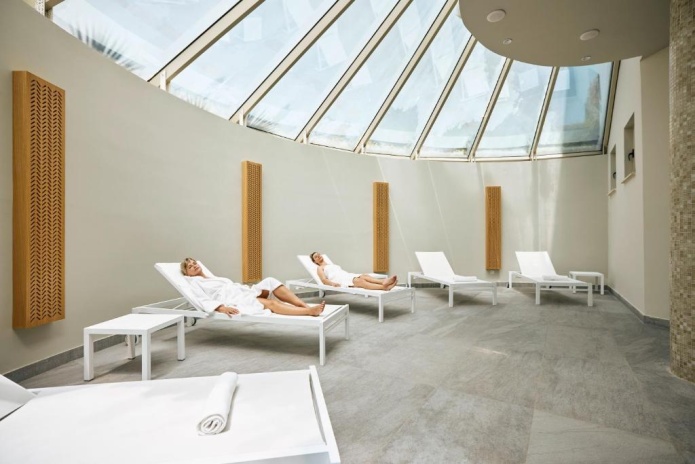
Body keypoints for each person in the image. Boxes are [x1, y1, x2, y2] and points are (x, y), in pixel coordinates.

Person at [181, 258, 325, 317]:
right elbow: (203, 300)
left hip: (243, 291)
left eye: (194, 263)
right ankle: (308, 311)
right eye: (190, 266)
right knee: (271, 303)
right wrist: (221, 308)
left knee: (270, 281)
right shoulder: (194, 283)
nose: (194, 265)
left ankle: (303, 305)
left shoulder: (212, 278)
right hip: (235, 299)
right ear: (187, 273)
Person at [310, 252, 398, 290]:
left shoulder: (330, 265)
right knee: (360, 281)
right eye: (316, 257)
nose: (318, 256)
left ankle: (384, 281)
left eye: (319, 254)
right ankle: (384, 287)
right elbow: (324, 280)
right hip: (339, 279)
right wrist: (332, 284)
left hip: (345, 274)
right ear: (315, 262)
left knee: (364, 276)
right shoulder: (320, 268)